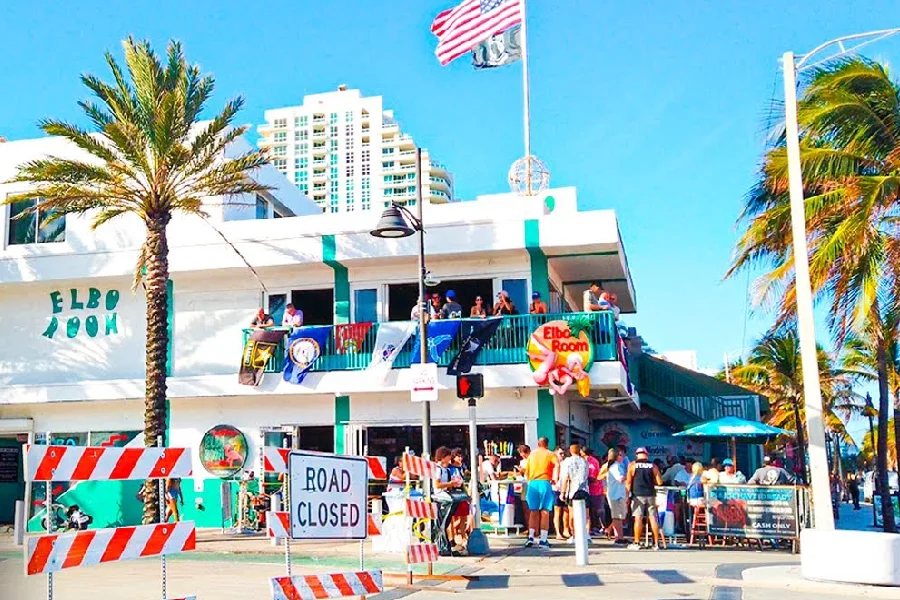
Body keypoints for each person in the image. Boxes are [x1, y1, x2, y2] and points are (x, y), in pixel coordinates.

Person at [625, 447, 663, 550]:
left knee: (638, 518)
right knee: (652, 518)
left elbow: (628, 482)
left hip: (637, 495)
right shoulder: (653, 465)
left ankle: (637, 542)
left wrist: (626, 496)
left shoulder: (632, 465)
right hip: (651, 494)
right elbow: (660, 482)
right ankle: (656, 543)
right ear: (646, 455)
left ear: (637, 455)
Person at [432, 446, 467, 555]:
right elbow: (437, 484)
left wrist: (454, 485)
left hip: (447, 492)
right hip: (439, 494)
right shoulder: (438, 469)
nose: (449, 459)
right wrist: (450, 484)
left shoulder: (446, 470)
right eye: (448, 457)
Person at [523, 437, 557, 550]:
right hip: (544, 482)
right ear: (547, 444)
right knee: (545, 511)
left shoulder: (531, 455)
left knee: (533, 511)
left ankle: (531, 537)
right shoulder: (550, 454)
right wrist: (555, 478)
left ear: (538, 444)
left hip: (532, 483)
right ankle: (543, 539)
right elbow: (557, 464)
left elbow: (526, 471)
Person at [559, 443, 591, 544]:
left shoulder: (567, 462)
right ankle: (586, 534)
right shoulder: (585, 461)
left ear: (570, 451)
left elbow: (566, 477)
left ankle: (574, 535)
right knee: (586, 514)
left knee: (572, 514)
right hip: (584, 489)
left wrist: (562, 492)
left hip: (572, 490)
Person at [600, 447, 628, 545]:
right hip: (615, 495)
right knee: (617, 517)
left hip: (617, 493)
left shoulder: (618, 466)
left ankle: (619, 536)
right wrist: (630, 476)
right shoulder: (615, 467)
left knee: (619, 517)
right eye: (620, 455)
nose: (622, 457)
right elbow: (620, 478)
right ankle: (618, 537)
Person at [583, 447, 605, 536]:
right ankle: (593, 527)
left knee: (597, 509)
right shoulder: (585, 460)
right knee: (590, 510)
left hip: (595, 489)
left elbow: (593, 477)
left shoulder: (592, 461)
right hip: (588, 490)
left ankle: (601, 527)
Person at [551, 446, 570, 540]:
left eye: (563, 453)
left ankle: (566, 530)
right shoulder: (553, 464)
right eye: (560, 453)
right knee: (557, 511)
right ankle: (558, 532)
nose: (562, 456)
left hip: (565, 489)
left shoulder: (566, 464)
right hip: (556, 489)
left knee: (566, 511)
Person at [516, 444, 531, 527]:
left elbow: (526, 472)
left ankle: (531, 527)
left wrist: (521, 470)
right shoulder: (523, 461)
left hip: (529, 484)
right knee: (526, 507)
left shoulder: (530, 460)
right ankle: (529, 526)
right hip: (525, 484)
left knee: (528, 507)